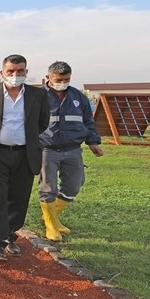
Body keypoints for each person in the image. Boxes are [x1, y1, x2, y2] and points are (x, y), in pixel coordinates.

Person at [0, 54, 49, 261]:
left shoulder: (38, 95)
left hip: (25, 154)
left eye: (20, 71)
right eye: (11, 71)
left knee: (19, 198)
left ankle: (10, 235)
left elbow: (42, 123)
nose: (15, 75)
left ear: (26, 72)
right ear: (2, 73)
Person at [38, 61, 103, 240]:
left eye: (66, 79)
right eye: (59, 79)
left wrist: (93, 141)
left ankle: (52, 216)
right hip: (47, 149)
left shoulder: (78, 97)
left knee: (74, 184)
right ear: (48, 77)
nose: (63, 82)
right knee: (48, 187)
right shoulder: (38, 96)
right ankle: (50, 225)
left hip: (73, 148)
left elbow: (88, 120)